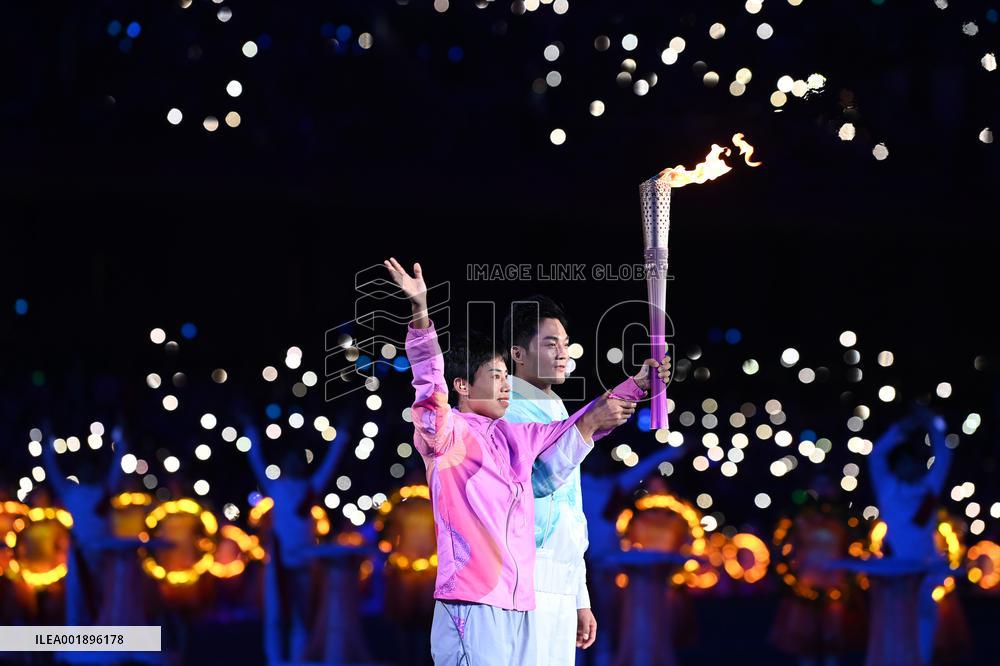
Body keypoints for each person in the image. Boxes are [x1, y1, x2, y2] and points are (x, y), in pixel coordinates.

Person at [384, 258, 668, 665]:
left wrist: (637, 387)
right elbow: (430, 387)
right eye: (496, 376)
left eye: (504, 376)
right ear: (464, 385)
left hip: (515, 597)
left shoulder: (511, 435)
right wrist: (420, 314)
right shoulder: (448, 434)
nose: (504, 387)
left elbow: (578, 427)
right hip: (473, 596)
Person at [501, 295, 670, 665]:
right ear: (518, 353)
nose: (563, 353)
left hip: (561, 578)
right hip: (523, 577)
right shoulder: (506, 409)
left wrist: (580, 598)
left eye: (565, 344)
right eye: (550, 344)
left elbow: (571, 513)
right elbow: (538, 481)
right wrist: (592, 422)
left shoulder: (555, 405)